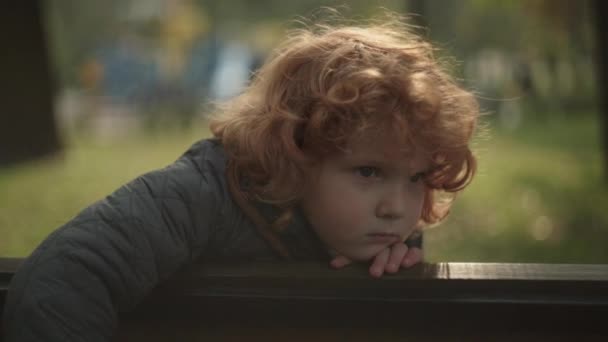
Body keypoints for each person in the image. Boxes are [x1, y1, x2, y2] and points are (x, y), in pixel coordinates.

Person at [2, 11, 478, 341]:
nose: (397, 206)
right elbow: (63, 279)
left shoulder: (374, 232)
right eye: (369, 171)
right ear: (295, 150)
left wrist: (396, 265)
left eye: (416, 178)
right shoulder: (198, 194)